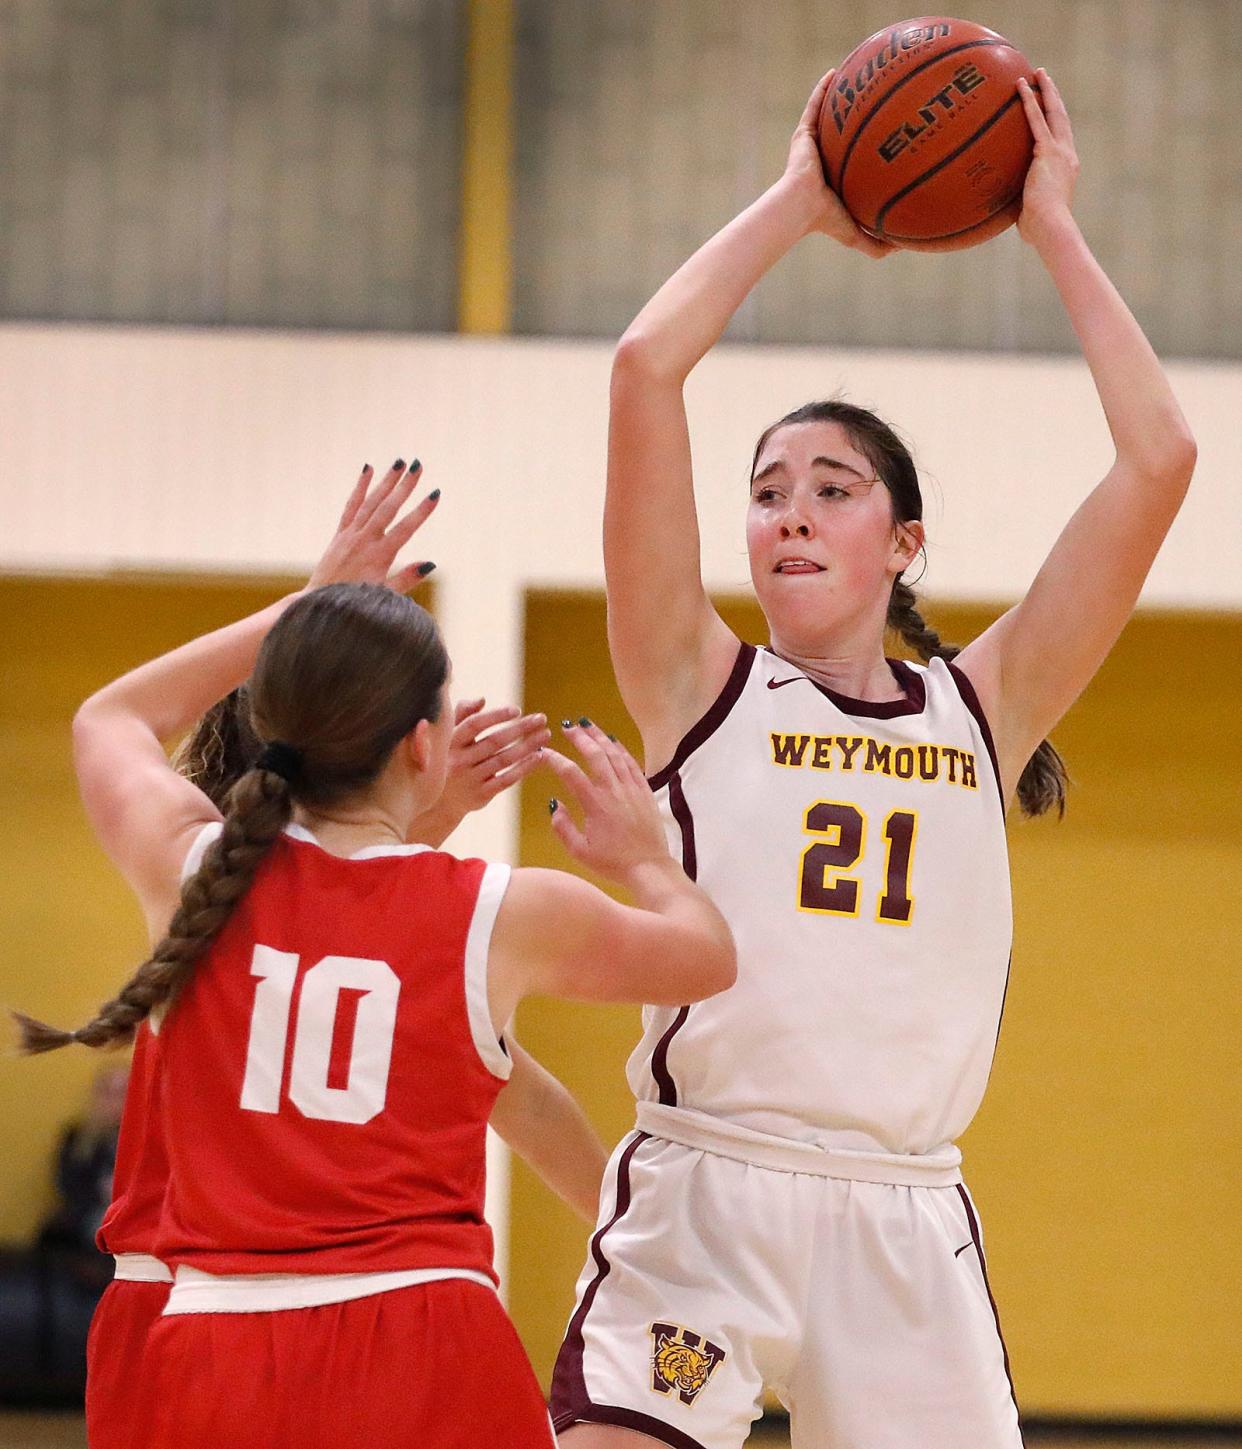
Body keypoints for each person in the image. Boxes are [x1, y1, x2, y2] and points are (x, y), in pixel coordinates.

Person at [551, 68, 1195, 1449]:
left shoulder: (985, 706)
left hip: (905, 1216)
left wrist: (1051, 227)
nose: (788, 516)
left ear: (902, 542)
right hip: (709, 1192)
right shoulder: (692, 680)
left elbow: (1158, 458)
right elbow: (642, 370)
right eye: (767, 493)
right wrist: (797, 200)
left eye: (830, 492)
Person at [16, 458, 735, 1449]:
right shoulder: (491, 912)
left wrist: (309, 614)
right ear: (423, 746)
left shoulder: (200, 874)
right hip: (419, 1332)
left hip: (210, 1335)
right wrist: (648, 857)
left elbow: (111, 717)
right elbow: (703, 958)